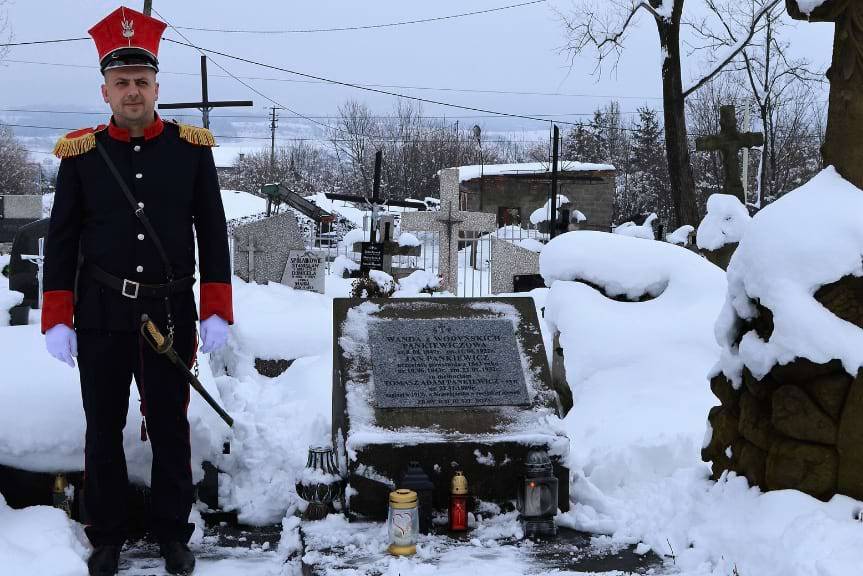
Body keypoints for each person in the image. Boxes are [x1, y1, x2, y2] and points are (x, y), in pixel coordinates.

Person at [41, 6, 233, 575]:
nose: (132, 91)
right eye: (121, 82)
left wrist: (216, 310)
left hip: (170, 308)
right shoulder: (80, 154)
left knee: (170, 426)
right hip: (100, 313)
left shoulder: (190, 149)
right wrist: (57, 316)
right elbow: (62, 238)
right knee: (102, 426)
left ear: (156, 87)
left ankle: (174, 532)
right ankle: (106, 534)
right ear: (105, 91)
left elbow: (213, 231)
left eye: (141, 82)